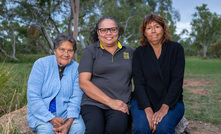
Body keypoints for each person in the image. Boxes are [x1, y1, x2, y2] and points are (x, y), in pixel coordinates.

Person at [78, 16, 134, 134]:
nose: (108, 33)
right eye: (103, 30)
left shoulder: (130, 52)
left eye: (112, 29)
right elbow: (83, 82)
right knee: (94, 129)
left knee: (116, 130)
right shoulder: (90, 51)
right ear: (98, 33)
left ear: (118, 31)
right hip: (93, 103)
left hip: (120, 104)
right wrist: (110, 102)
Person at [131, 14, 185, 134]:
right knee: (141, 128)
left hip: (171, 102)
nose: (153, 31)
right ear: (144, 32)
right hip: (143, 101)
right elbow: (138, 84)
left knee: (164, 129)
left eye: (157, 26)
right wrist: (148, 109)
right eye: (149, 28)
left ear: (163, 29)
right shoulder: (139, 53)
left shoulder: (176, 49)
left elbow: (177, 81)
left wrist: (164, 108)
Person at [27, 33, 85, 134]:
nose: (66, 54)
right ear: (54, 50)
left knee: (78, 128)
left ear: (74, 52)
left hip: (67, 115)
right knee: (47, 130)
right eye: (62, 49)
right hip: (43, 115)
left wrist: (69, 122)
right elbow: (33, 96)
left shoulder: (76, 68)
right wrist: (51, 119)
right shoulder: (41, 64)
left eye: (70, 50)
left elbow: (76, 98)